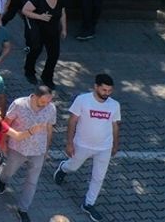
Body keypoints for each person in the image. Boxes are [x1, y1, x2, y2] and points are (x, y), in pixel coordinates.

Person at [53, 73, 121, 222]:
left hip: (104, 148)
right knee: (73, 167)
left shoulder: (114, 105)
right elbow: (72, 122)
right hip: (82, 145)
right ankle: (63, 168)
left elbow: (115, 125)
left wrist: (115, 144)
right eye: (104, 90)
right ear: (95, 87)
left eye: (109, 91)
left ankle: (88, 204)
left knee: (98, 177)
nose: (107, 94)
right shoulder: (83, 100)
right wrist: (69, 143)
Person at [0, 86, 57, 222]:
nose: (45, 105)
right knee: (10, 170)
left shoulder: (51, 108)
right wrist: (3, 142)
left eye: (48, 102)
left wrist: (46, 148)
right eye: (43, 102)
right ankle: (3, 179)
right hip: (18, 147)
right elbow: (6, 123)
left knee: (32, 181)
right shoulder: (19, 105)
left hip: (38, 150)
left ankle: (23, 208)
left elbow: (49, 128)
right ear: (34, 96)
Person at [21, 0, 67, 87]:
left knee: (54, 55)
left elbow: (63, 14)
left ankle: (47, 77)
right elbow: (25, 10)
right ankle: (29, 72)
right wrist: (40, 16)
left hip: (53, 31)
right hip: (38, 30)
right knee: (36, 50)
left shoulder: (60, 0)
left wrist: (64, 29)